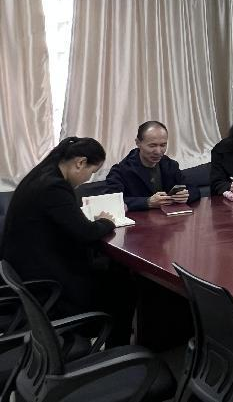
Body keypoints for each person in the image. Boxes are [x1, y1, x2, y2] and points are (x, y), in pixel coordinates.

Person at [0, 137, 134, 346]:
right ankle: (117, 350)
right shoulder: (54, 187)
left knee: (112, 273)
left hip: (26, 267)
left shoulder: (42, 175)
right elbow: (86, 232)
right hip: (45, 278)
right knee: (122, 286)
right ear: (80, 162)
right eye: (92, 172)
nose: (89, 179)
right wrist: (107, 221)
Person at [106, 121, 200, 211]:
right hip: (139, 220)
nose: (158, 152)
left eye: (163, 145)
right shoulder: (121, 170)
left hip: (170, 219)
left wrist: (186, 195)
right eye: (152, 146)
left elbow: (194, 190)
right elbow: (112, 200)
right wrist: (147, 202)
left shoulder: (170, 165)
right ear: (138, 143)